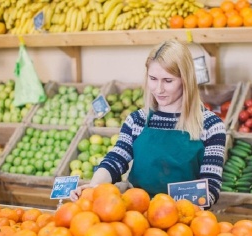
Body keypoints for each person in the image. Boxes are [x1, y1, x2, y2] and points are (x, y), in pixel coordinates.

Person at [70, 39, 226, 208]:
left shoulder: (211, 125)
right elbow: (116, 159)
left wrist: (179, 212)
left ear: (185, 80)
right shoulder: (137, 120)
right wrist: (94, 186)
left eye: (168, 81)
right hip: (137, 217)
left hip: (184, 220)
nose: (158, 89)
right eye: (153, 78)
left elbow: (211, 187)